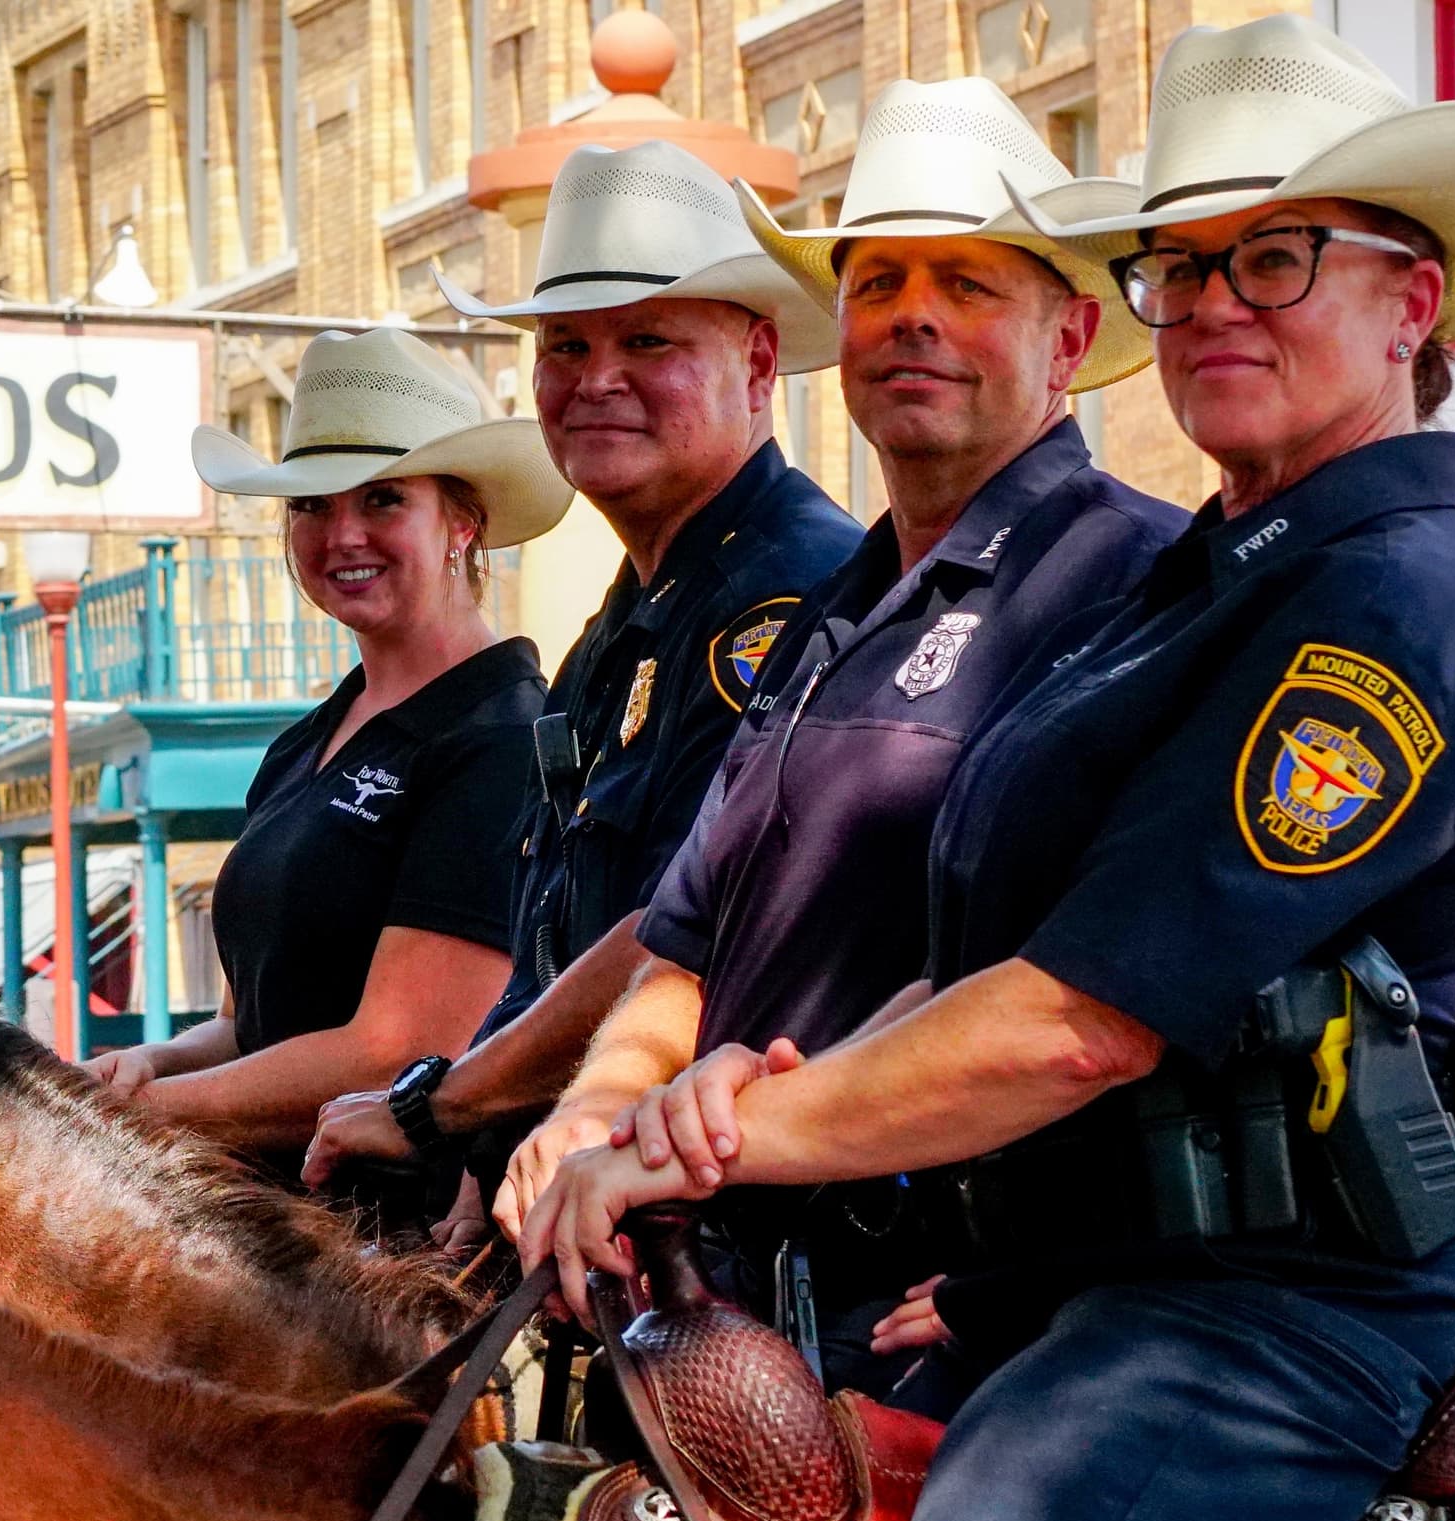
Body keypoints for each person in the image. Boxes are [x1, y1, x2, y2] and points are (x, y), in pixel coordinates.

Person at [519, 16, 1455, 1521]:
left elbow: (1081, 1012)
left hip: (1281, 1317)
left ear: (1410, 298)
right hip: (1089, 1290)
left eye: (1273, 259)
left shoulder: (1392, 604)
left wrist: (721, 1130)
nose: (1209, 302)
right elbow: (949, 971)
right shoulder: (1221, 575)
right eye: (1181, 263)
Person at [473, 80, 1184, 1407]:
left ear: (1072, 336)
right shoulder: (835, 610)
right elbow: (684, 943)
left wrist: (1031, 1268)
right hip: (750, 1292)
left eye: (970, 285)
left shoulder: (1137, 580)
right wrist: (589, 1109)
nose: (914, 315)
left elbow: (1093, 990)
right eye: (879, 284)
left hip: (969, 1311)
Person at [299, 139, 860, 1234]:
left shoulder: (793, 592)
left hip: (748, 1231)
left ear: (757, 367)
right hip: (597, 1219)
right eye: (565, 345)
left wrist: (441, 1108)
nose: (596, 379)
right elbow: (553, 935)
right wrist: (479, 1151)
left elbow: (684, 922)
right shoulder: (618, 631)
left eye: (647, 340)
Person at [82, 328, 571, 1215]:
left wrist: (132, 1117)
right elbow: (254, 1025)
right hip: (273, 1250)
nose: (342, 533)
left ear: (463, 523)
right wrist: (151, 1062)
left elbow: (403, 1050)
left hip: (396, 1270)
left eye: (382, 500)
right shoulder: (307, 740)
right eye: (310, 503)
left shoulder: (502, 735)